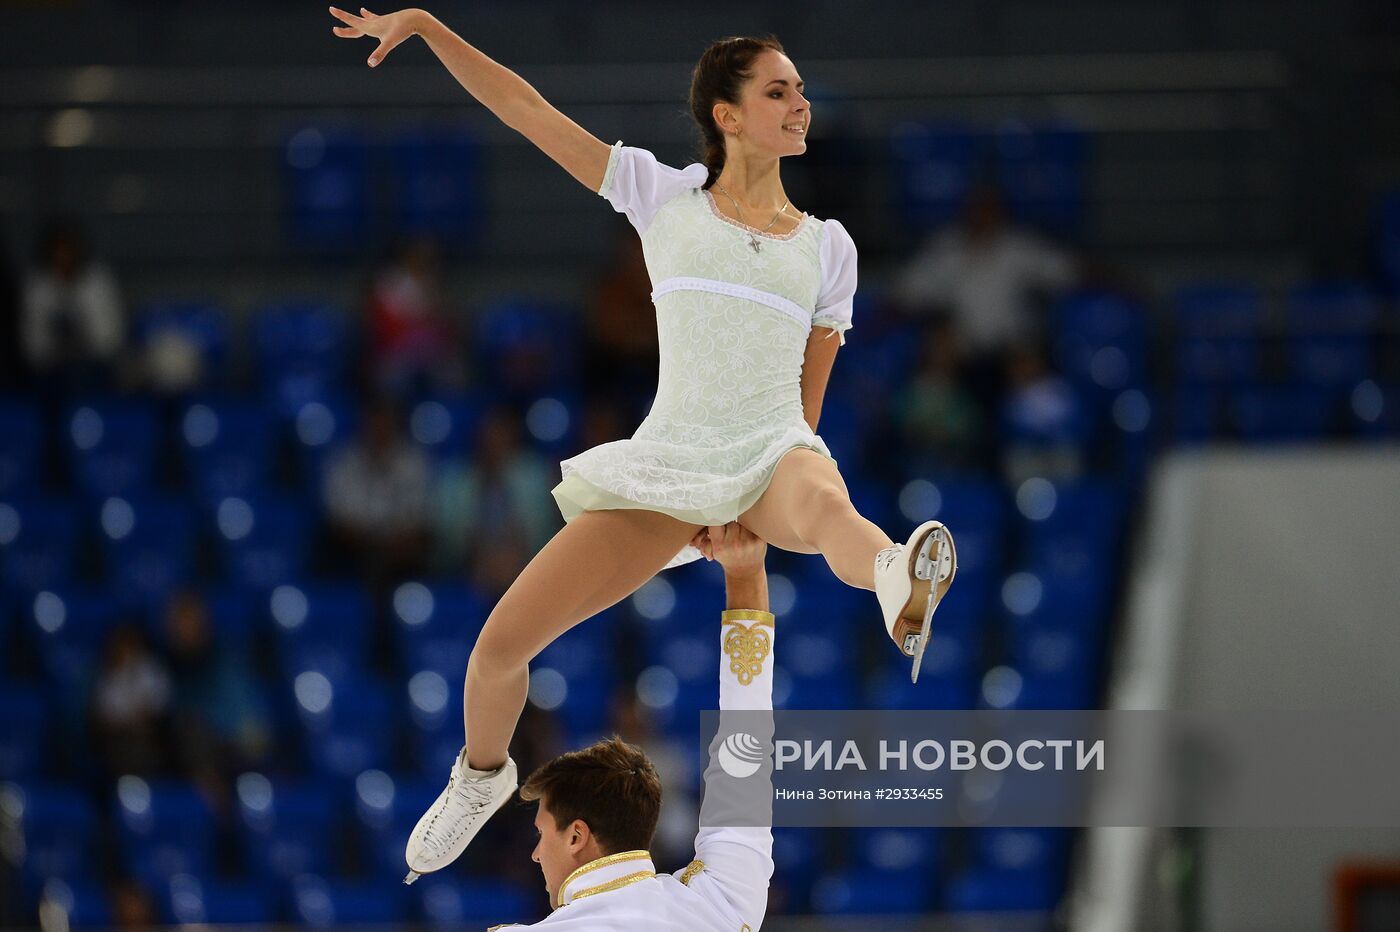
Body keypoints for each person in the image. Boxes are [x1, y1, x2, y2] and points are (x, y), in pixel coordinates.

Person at [327, 6, 958, 877]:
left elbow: (805, 408)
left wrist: (764, 487)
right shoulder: (662, 195)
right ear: (727, 115)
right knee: (497, 650)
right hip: (670, 462)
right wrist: (432, 28)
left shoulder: (830, 249)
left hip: (772, 448)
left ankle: (897, 576)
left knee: (822, 496)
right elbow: (528, 111)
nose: (800, 104)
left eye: (802, 91)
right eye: (779, 91)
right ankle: (479, 776)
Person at [481, 521, 777, 929]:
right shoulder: (718, 905)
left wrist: (743, 573)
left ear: (575, 836)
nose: (536, 853)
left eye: (541, 833)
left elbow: (747, 755)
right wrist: (746, 572)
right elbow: (747, 762)